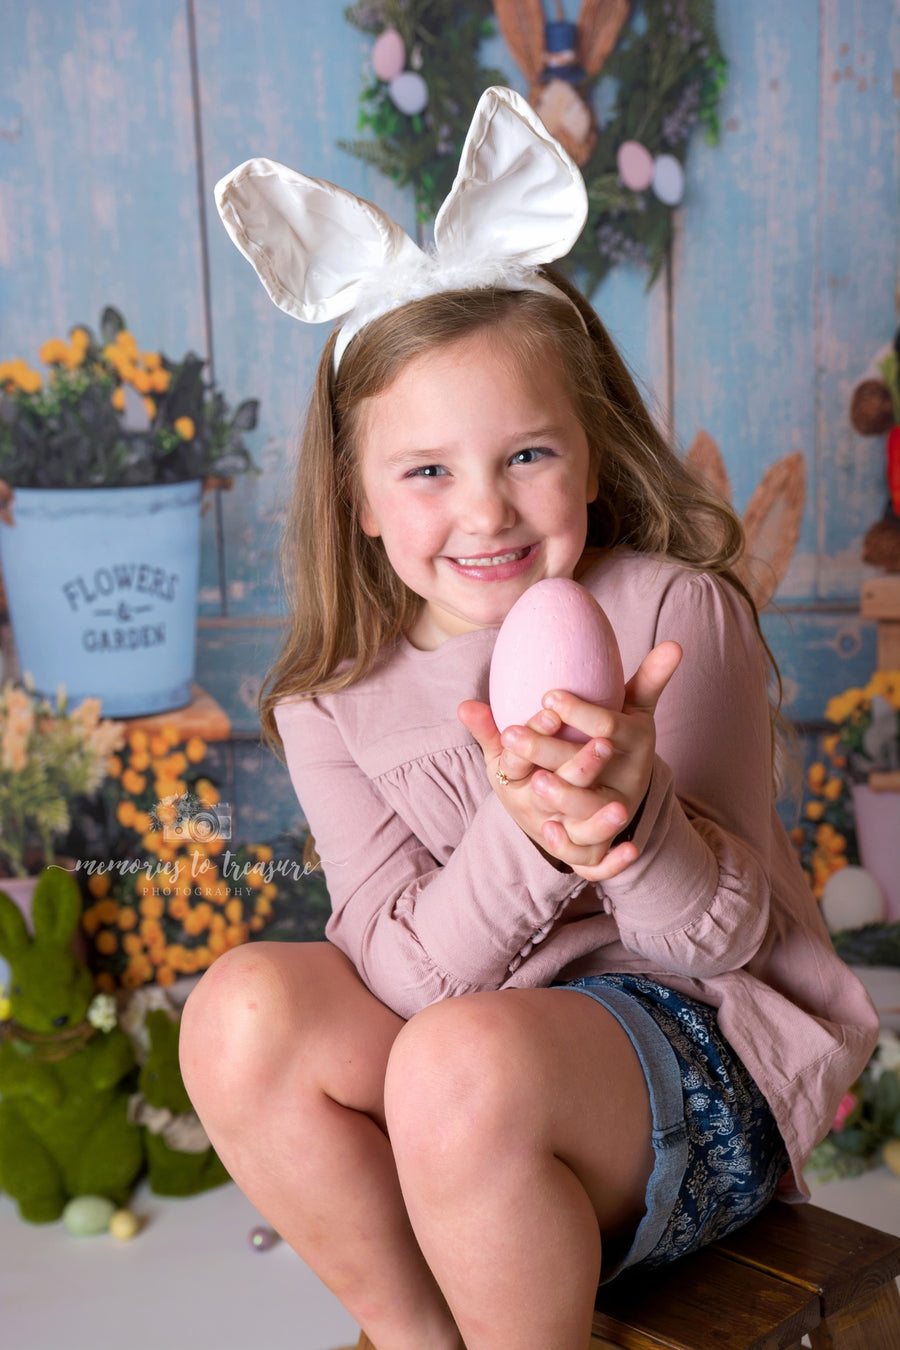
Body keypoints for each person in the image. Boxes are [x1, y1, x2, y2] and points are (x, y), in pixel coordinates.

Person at [179, 89, 879, 1350]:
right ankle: (417, 1334)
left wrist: (632, 811)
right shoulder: (327, 701)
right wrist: (527, 836)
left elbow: (722, 944)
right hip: (465, 1072)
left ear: (593, 455)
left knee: (459, 1062)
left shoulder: (671, 613)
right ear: (362, 500)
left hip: (701, 1077)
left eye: (528, 456)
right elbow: (395, 969)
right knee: (240, 1010)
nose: (488, 513)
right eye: (429, 471)